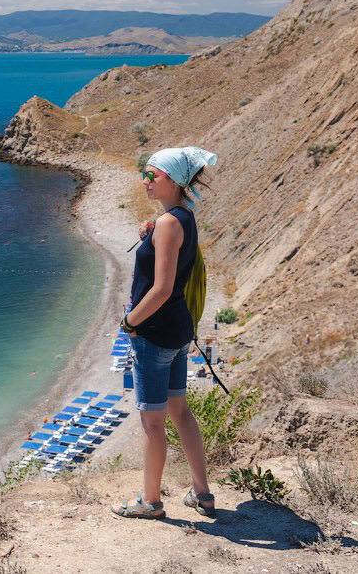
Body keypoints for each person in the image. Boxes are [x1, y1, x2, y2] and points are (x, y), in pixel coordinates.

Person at [111, 146, 218, 521]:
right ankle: (202, 494)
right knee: (180, 412)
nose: (144, 181)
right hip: (178, 331)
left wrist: (130, 323)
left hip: (154, 333)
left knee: (152, 422)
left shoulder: (170, 223)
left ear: (172, 180)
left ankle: (151, 501)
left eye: (151, 175)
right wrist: (150, 231)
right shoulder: (183, 217)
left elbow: (161, 288)